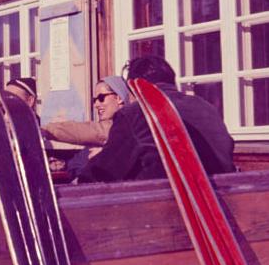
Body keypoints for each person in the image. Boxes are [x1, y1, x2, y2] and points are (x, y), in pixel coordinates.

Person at [77, 55, 235, 183]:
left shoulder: (136, 113)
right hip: (221, 199)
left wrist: (80, 179)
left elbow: (103, 170)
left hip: (162, 206)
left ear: (134, 87)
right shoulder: (204, 105)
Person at [44, 74, 133, 178]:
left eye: (101, 98)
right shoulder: (100, 137)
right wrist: (64, 164)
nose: (96, 105)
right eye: (94, 100)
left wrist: (46, 130)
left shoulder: (125, 124)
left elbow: (92, 130)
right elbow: (77, 163)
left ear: (118, 98)